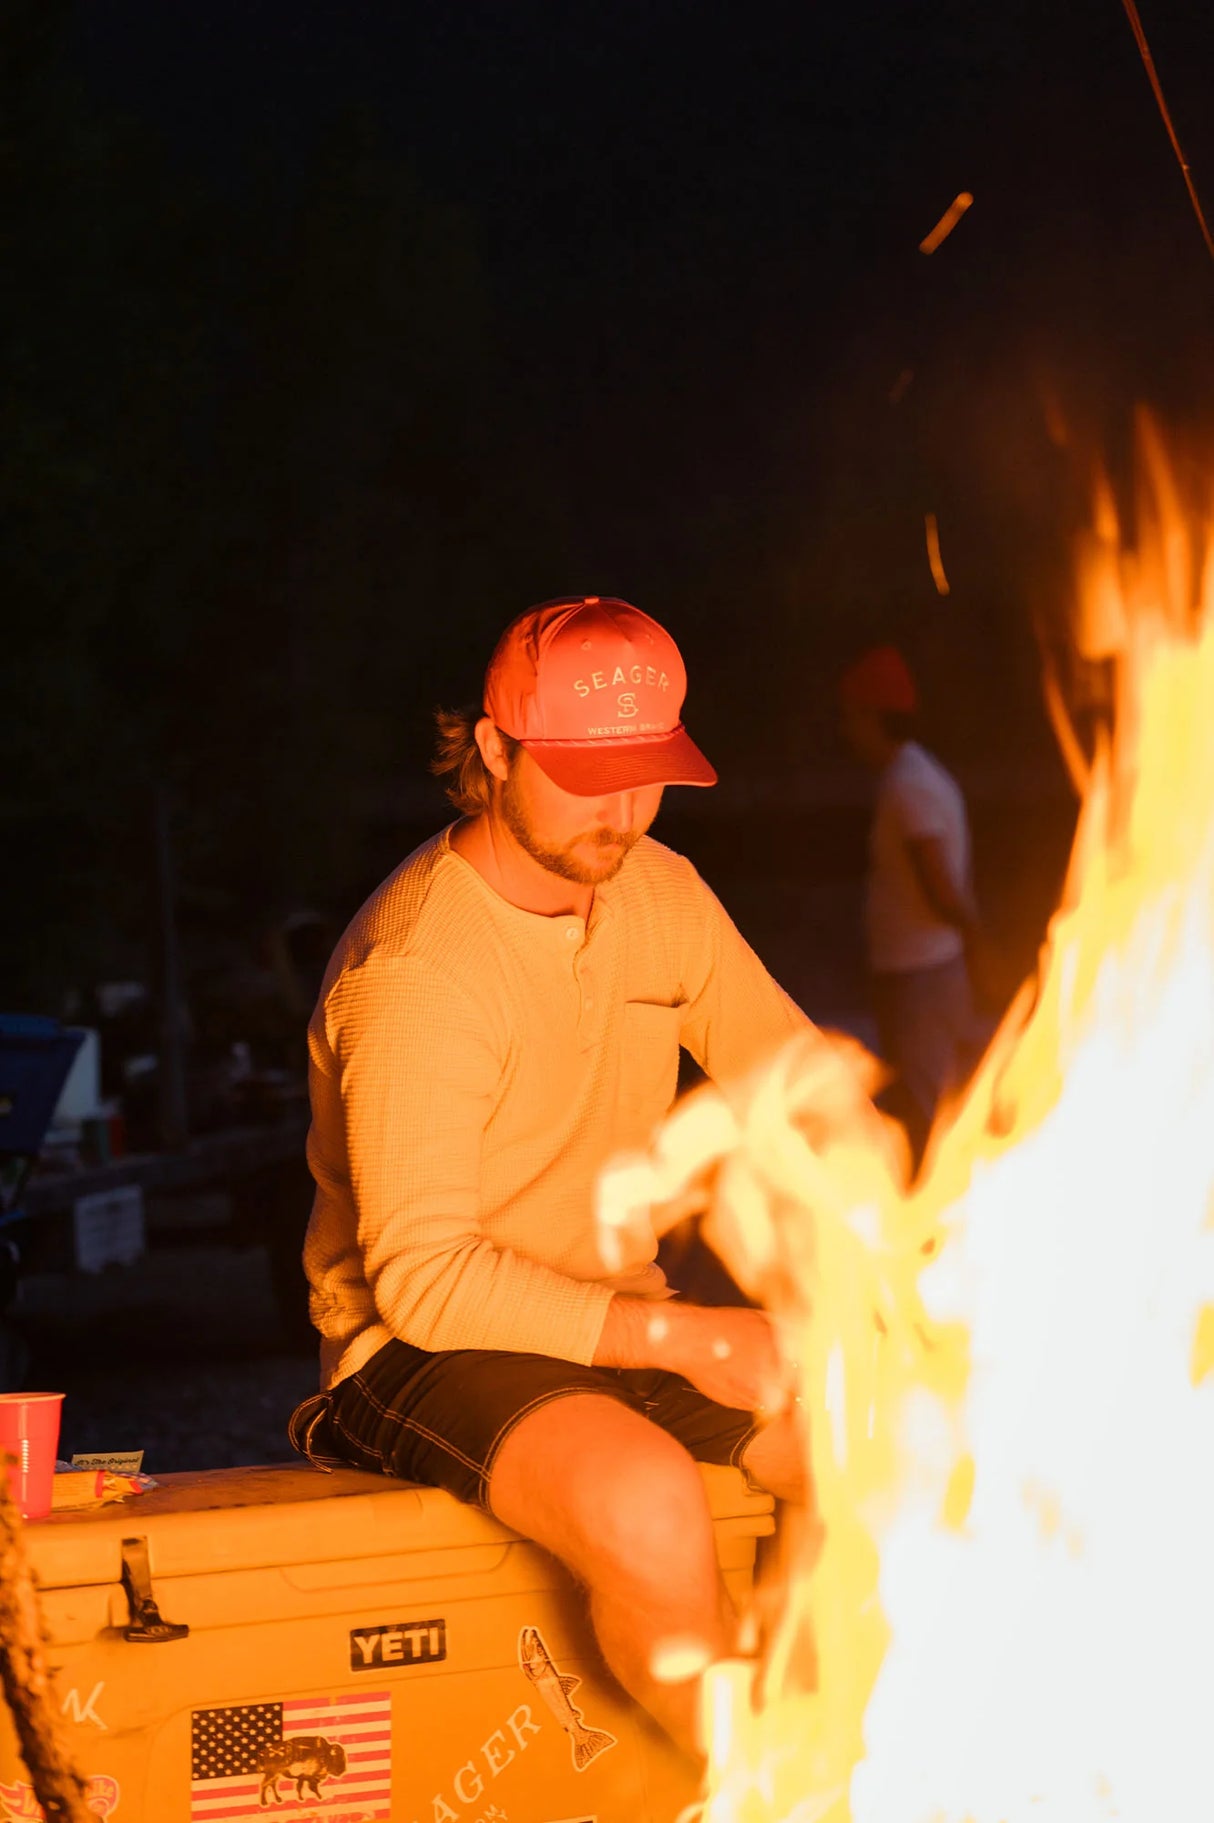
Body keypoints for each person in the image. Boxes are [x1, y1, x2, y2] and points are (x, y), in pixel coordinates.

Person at [289, 595, 822, 1756]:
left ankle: (871, 1727)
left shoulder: (659, 893)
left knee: (887, 1441)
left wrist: (904, 1235)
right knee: (646, 1496)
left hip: (618, 1318)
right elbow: (424, 1279)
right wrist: (689, 1340)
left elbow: (798, 1087)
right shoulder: (417, 971)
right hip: (419, 1348)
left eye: (646, 774)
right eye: (586, 773)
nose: (621, 813)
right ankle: (790, 1784)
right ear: (491, 750)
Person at [839, 643, 982, 1165]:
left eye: (851, 717)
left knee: (931, 1106)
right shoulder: (912, 775)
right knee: (925, 1096)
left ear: (875, 717)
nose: (846, 730)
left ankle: (938, 1222)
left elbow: (940, 884)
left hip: (923, 975)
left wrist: (977, 940)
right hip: (915, 971)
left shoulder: (909, 785)